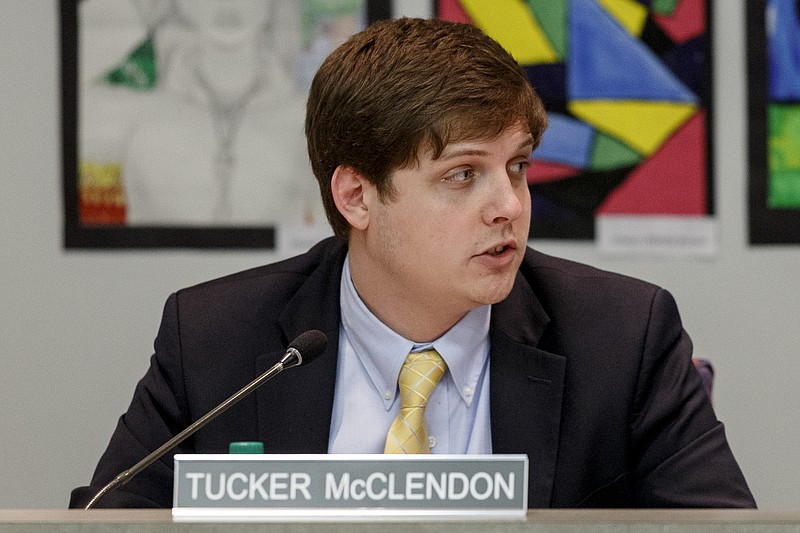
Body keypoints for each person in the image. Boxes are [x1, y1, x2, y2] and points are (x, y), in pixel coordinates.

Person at [69, 17, 756, 508]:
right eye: (464, 175)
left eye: (515, 168)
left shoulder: (622, 335)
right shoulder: (218, 338)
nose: (509, 206)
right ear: (357, 196)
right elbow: (104, 522)